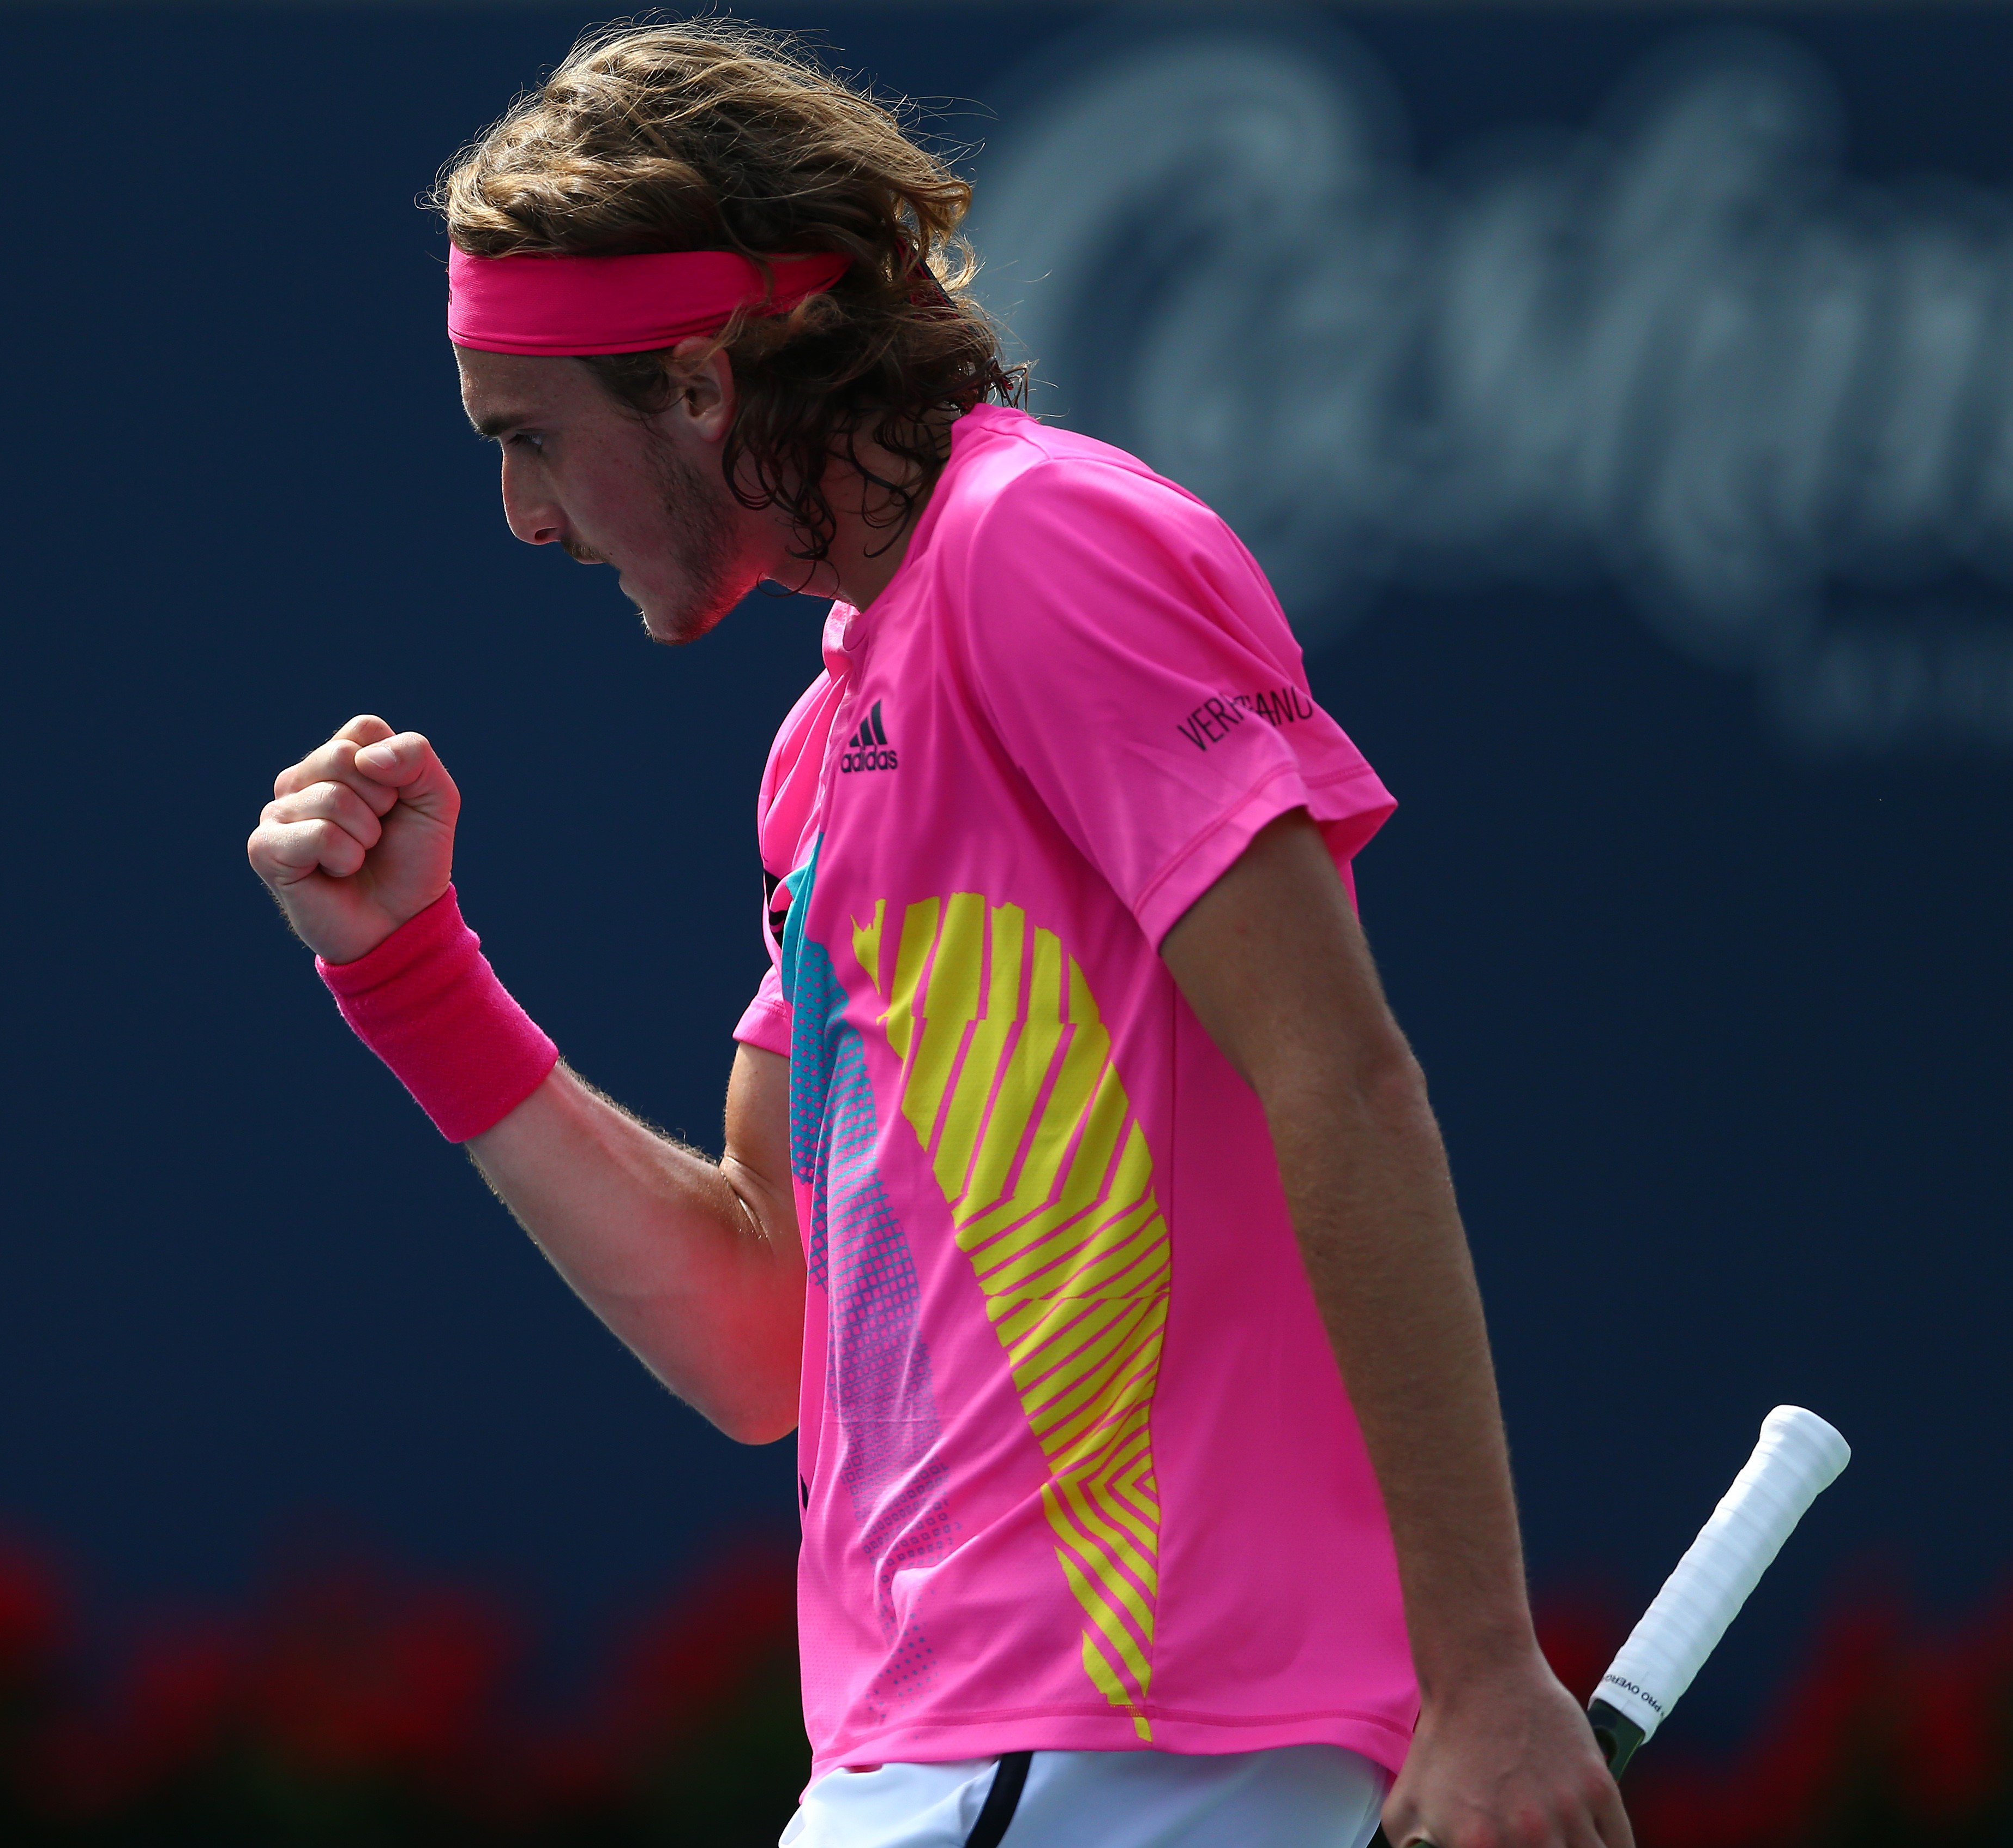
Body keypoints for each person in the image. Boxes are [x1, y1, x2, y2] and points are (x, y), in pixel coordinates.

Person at [247, 22, 1632, 1848]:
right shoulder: (832, 726)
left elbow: (1338, 1074)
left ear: (693, 383)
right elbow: (764, 1331)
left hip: (1101, 1752)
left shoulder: (1037, 547)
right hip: (978, 1757)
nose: (522, 516)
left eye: (530, 442)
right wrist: (409, 975)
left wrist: (1479, 1675)